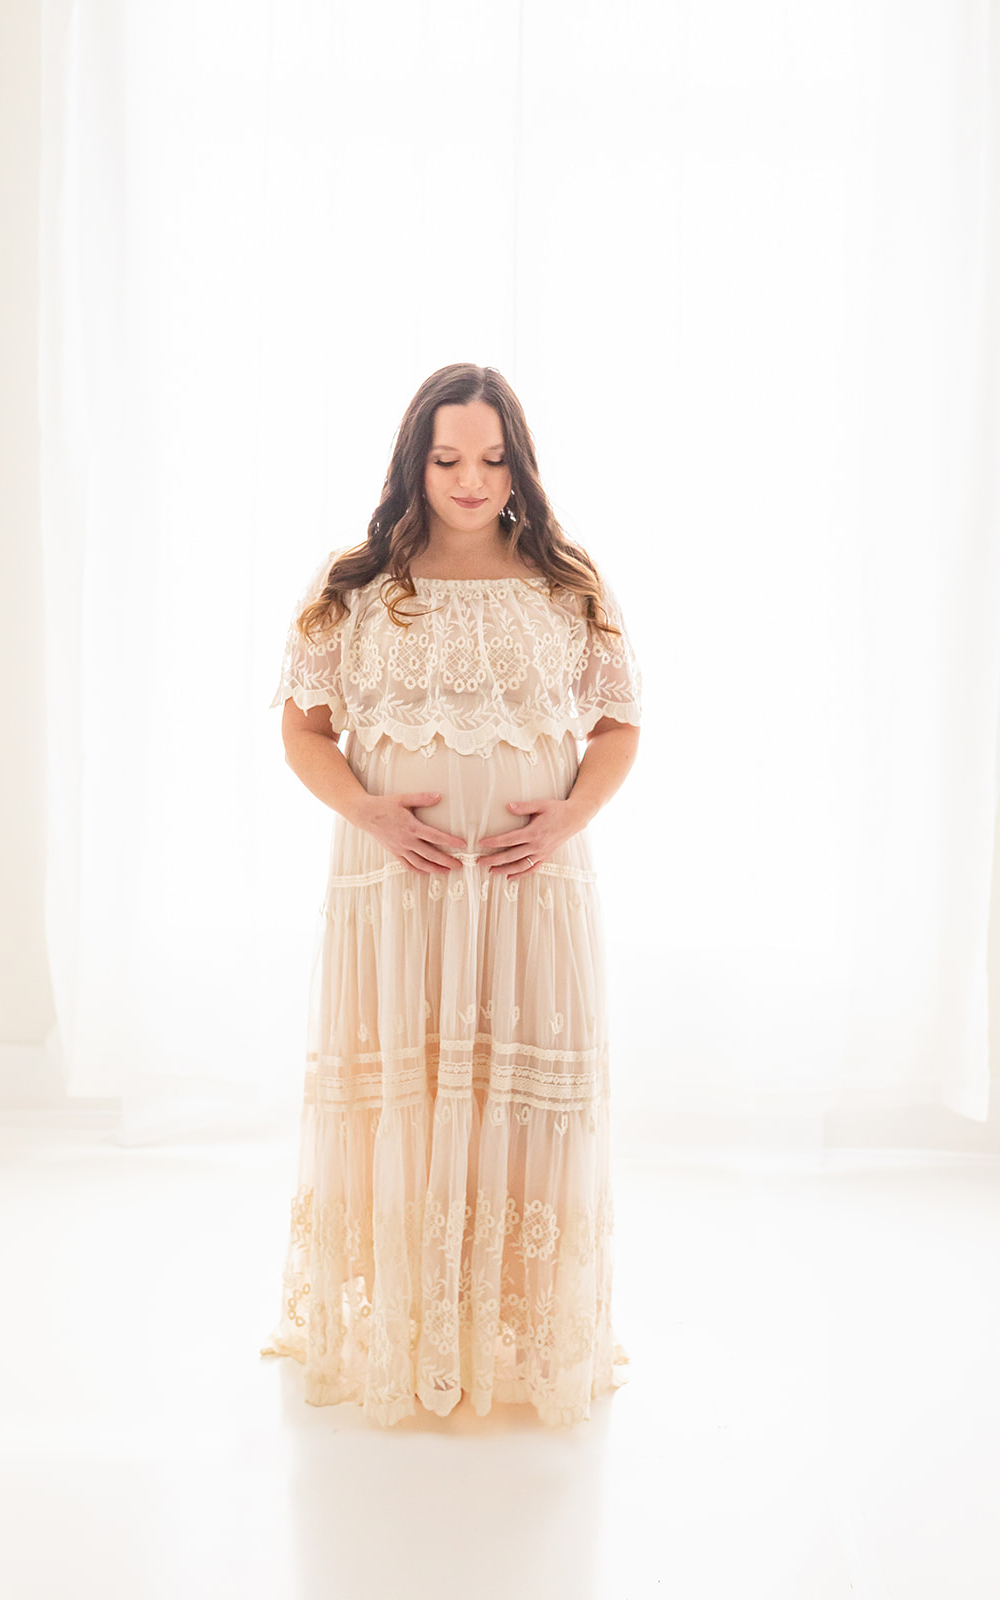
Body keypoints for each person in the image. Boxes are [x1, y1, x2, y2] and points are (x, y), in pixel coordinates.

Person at [260, 362, 642, 1428]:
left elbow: (616, 724)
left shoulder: (567, 583)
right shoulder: (355, 586)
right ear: (411, 462)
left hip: (529, 891)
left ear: (517, 463)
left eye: (489, 457)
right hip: (396, 890)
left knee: (514, 1105)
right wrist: (370, 812)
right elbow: (302, 727)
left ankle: (510, 1330)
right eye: (445, 459)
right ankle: (404, 1326)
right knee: (407, 1091)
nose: (468, 480)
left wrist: (567, 816)